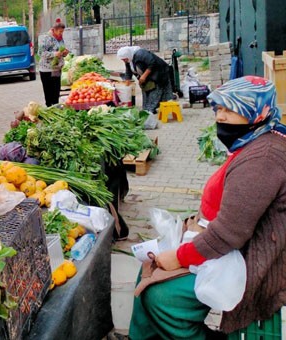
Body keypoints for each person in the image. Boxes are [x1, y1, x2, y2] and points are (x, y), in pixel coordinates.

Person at [129, 76, 286, 339]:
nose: (220, 117)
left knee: (162, 297)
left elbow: (228, 235)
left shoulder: (263, 159)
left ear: (256, 112)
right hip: (234, 242)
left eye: (230, 109)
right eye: (218, 109)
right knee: (147, 266)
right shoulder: (256, 138)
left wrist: (179, 256)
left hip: (254, 258)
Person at [117, 46, 173, 114]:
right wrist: (127, 82)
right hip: (149, 76)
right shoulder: (129, 59)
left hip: (159, 73)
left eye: (124, 59)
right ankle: (149, 109)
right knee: (146, 95)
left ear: (128, 55)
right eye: (122, 59)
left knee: (155, 91)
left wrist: (144, 76)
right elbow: (128, 71)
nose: (124, 61)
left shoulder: (140, 54)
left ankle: (151, 110)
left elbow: (152, 63)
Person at [38, 19, 68, 107]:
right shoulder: (45, 38)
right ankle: (50, 108)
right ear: (54, 30)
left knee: (56, 91)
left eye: (62, 32)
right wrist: (54, 54)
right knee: (49, 92)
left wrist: (64, 53)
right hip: (46, 69)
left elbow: (61, 49)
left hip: (56, 68)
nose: (61, 33)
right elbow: (41, 53)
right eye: (60, 31)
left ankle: (56, 107)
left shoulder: (60, 39)